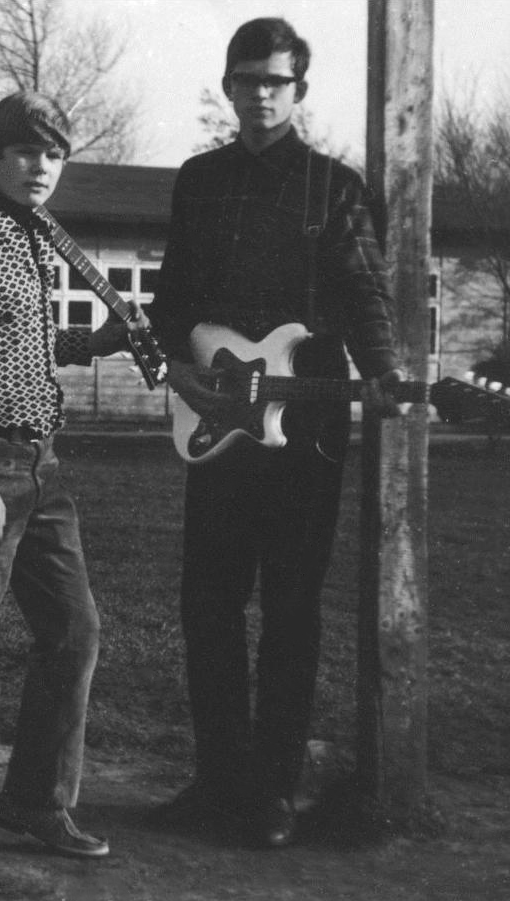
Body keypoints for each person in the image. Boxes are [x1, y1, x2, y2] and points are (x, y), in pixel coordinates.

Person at [146, 17, 406, 849]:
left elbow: (365, 292)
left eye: (277, 81)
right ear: (227, 87)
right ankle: (219, 780)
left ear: (299, 90)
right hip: (217, 429)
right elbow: (173, 297)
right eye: (247, 79)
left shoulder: (334, 185)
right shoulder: (198, 179)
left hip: (307, 436)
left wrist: (387, 368)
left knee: (292, 612)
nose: (261, 93)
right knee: (208, 606)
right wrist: (179, 363)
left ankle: (274, 795)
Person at [0, 91, 144, 870]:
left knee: (74, 631)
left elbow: (16, 348)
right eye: (23, 151)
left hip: (45, 468)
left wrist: (94, 342)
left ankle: (36, 801)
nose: (41, 165)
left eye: (54, 152)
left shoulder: (35, 236)